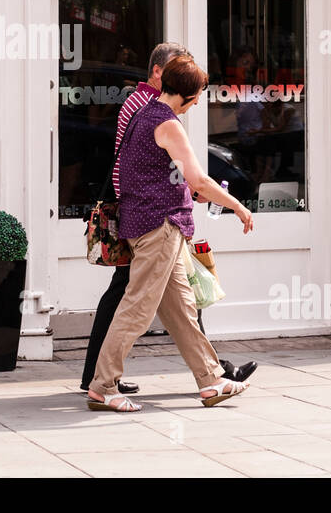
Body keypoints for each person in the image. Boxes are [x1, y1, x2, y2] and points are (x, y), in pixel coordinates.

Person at [79, 42, 254, 395]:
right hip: (159, 225)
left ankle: (210, 380)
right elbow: (199, 180)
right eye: (199, 95)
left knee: (182, 310)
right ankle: (102, 386)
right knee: (137, 310)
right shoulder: (167, 123)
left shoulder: (143, 114)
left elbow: (138, 171)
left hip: (154, 223)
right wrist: (237, 206)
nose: (200, 101)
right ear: (188, 95)